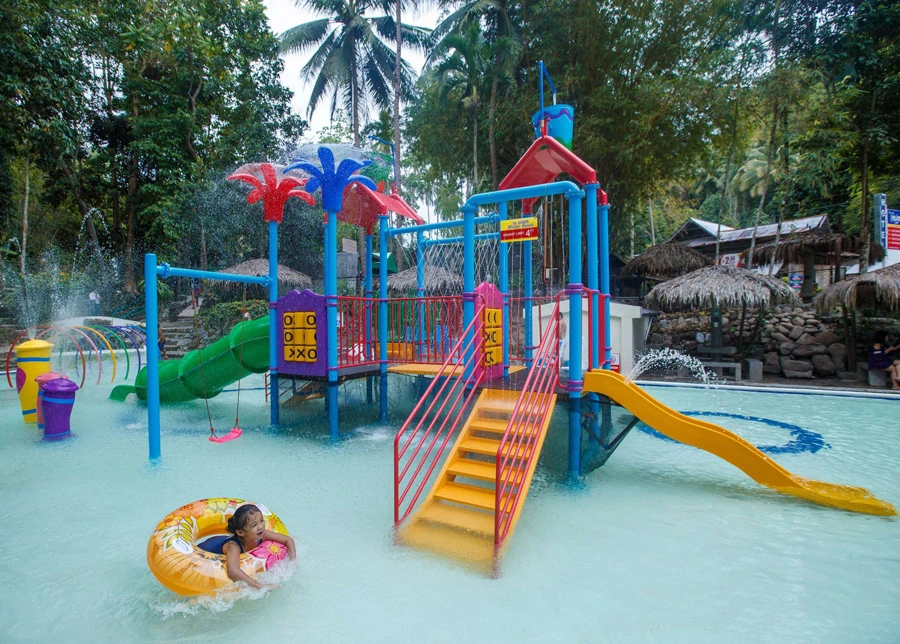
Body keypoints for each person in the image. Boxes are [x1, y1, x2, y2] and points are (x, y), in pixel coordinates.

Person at [199, 504, 296, 590]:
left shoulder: (262, 534)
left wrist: (293, 562)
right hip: (204, 550)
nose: (260, 526)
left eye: (261, 521)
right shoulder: (233, 546)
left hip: (219, 539)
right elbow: (233, 571)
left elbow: (288, 540)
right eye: (254, 525)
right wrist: (259, 586)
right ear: (240, 532)